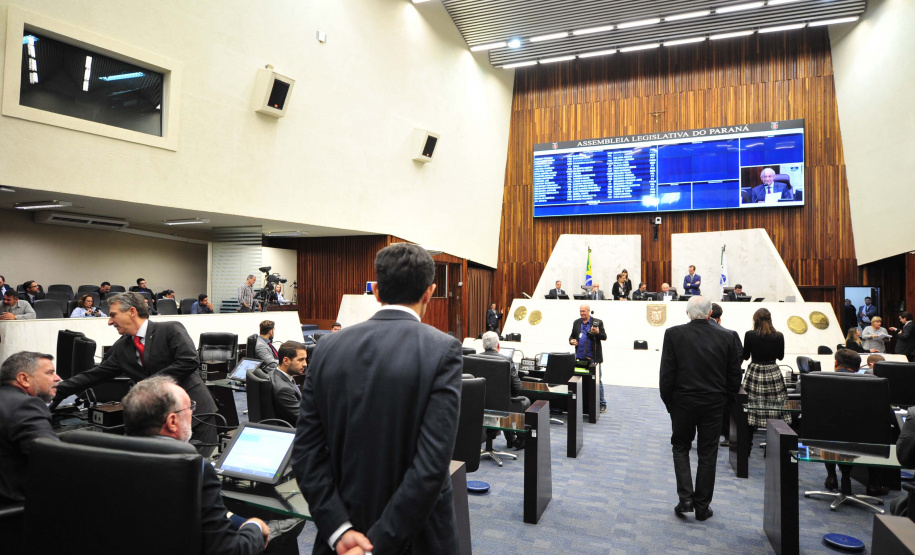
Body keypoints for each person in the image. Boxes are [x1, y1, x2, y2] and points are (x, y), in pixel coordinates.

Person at [291, 242, 462, 554]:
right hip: (414, 539)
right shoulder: (442, 350)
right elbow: (432, 464)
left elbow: (305, 452)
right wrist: (376, 546)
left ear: (377, 292)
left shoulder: (327, 347)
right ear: (429, 293)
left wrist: (338, 530)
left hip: (340, 536)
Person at [51, 292, 218, 453]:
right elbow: (95, 374)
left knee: (200, 465)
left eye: (113, 315)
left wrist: (150, 383)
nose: (110, 322)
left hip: (196, 413)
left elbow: (189, 361)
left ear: (132, 312)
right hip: (160, 423)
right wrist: (58, 389)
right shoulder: (122, 347)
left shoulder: (170, 329)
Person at [121, 376, 270, 554]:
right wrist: (255, 526)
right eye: (189, 407)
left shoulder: (103, 459)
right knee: (277, 526)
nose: (192, 412)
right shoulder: (195, 469)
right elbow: (227, 550)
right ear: (172, 421)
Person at [659, 296, 741, 521]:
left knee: (680, 447)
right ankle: (703, 507)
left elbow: (667, 373)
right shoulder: (728, 336)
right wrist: (726, 402)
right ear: (709, 314)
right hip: (714, 404)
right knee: (708, 453)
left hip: (682, 403)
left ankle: (685, 499)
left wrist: (669, 402)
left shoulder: (673, 334)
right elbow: (734, 375)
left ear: (687, 313)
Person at [0, 352, 60, 504]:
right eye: (50, 372)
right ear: (24, 379)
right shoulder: (26, 405)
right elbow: (52, 460)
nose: (57, 378)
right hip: (16, 508)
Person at [742, 308, 791, 438]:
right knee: (775, 406)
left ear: (755, 320)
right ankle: (775, 445)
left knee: (751, 405)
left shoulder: (750, 334)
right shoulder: (779, 335)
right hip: (773, 372)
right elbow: (780, 357)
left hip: (755, 372)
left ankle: (747, 445)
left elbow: (745, 356)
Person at [480, 331, 530, 449]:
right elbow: (517, 388)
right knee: (524, 401)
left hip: (479, 405)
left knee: (505, 403)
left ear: (483, 345)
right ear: (498, 345)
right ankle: (520, 441)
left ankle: (510, 439)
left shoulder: (472, 358)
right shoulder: (506, 360)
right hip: (502, 406)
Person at [709, 303, 743, 447]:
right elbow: (740, 354)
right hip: (725, 378)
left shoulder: (728, 334)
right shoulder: (731, 333)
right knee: (727, 408)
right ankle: (727, 436)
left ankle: (720, 435)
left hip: (710, 377)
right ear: (720, 318)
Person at [569, 304, 607, 413]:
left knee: (597, 381)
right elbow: (572, 336)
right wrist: (571, 341)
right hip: (580, 358)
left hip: (593, 359)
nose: (582, 313)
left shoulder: (597, 322)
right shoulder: (576, 322)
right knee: (580, 381)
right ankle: (584, 403)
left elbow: (604, 336)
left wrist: (597, 333)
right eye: (580, 311)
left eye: (584, 311)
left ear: (588, 311)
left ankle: (602, 403)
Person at [270, 341, 307, 426]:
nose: (305, 364)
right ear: (286, 361)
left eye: (305, 359)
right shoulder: (284, 389)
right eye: (301, 360)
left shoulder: (276, 374)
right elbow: (304, 418)